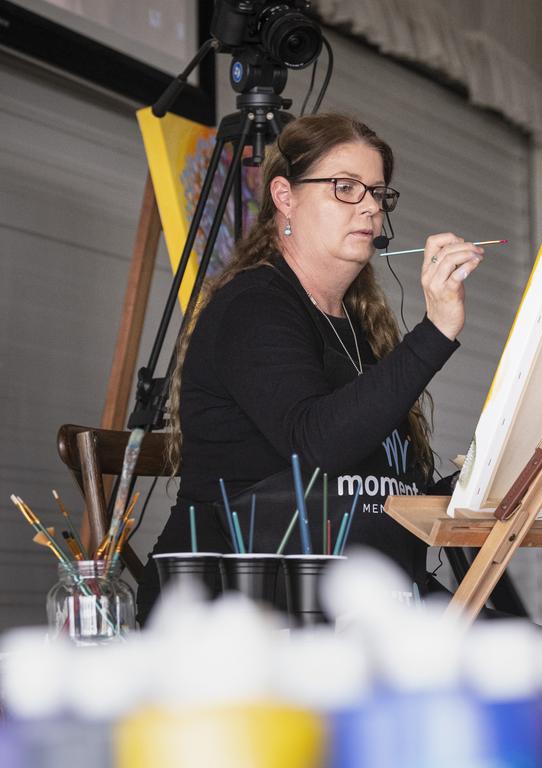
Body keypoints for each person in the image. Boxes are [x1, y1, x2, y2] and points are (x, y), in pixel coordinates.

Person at [136, 113, 485, 622]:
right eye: (346, 188)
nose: (370, 206)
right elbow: (317, 444)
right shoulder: (253, 306)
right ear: (285, 197)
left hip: (356, 596)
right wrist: (434, 332)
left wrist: (476, 481)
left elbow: (374, 489)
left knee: (540, 663)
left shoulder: (358, 325)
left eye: (378, 194)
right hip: (240, 610)